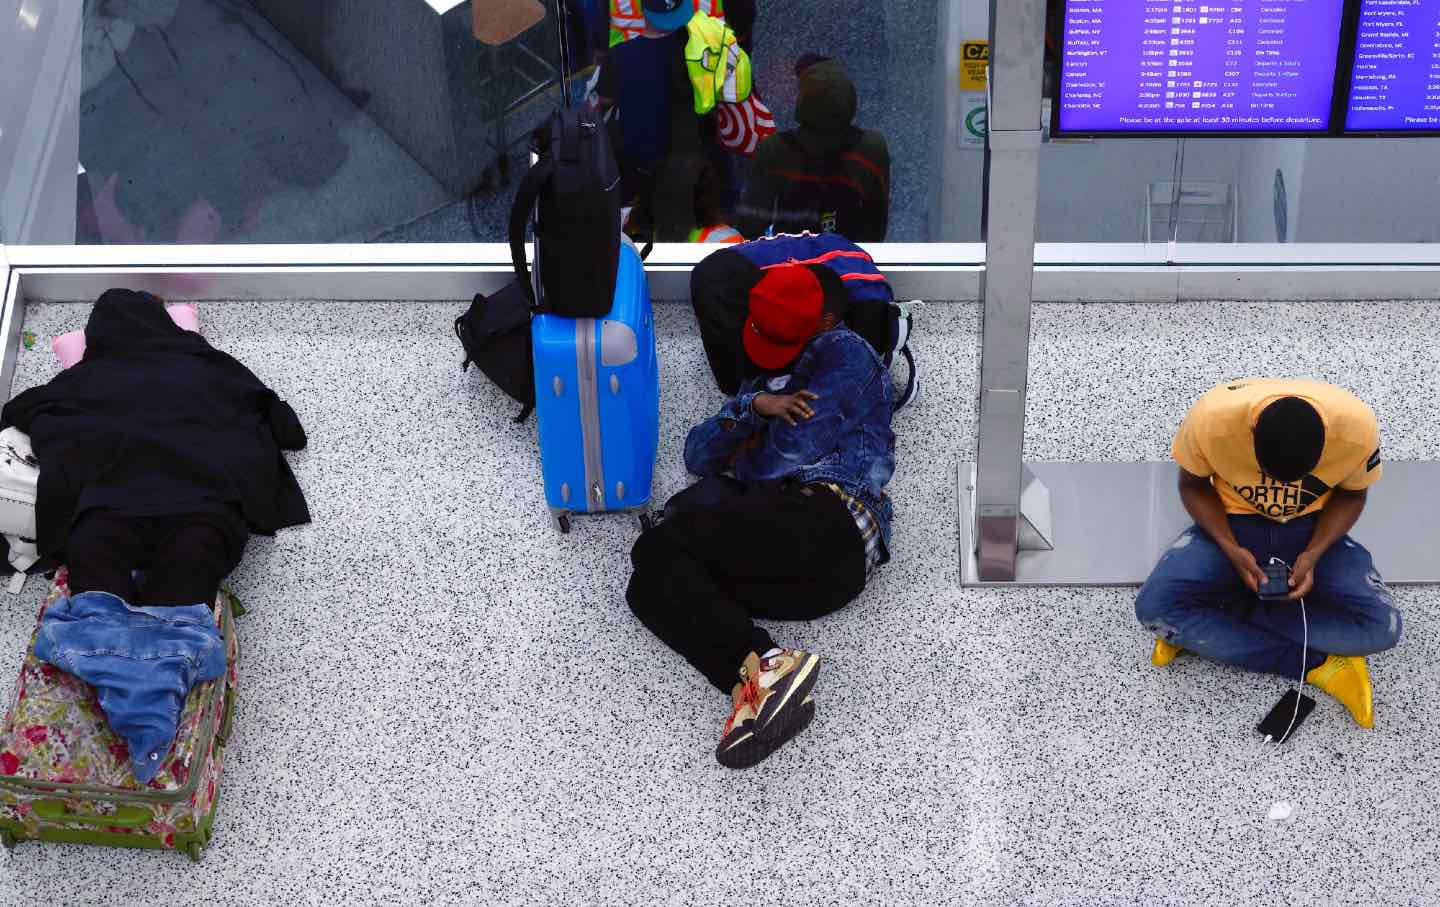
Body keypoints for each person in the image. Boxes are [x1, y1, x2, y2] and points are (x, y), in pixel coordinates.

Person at [626, 263, 895, 768]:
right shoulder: (768, 382)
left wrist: (746, 450)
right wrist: (757, 407)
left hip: (832, 522)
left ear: (823, 322)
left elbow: (779, 461)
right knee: (646, 590)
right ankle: (757, 682)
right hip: (812, 576)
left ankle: (768, 666)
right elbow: (697, 455)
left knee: (656, 548)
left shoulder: (845, 354)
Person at [1135, 379, 1403, 728]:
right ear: (1250, 437)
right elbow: (1192, 486)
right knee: (1153, 609)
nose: (1280, 491)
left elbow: (1352, 494)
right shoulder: (1211, 419)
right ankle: (1316, 665)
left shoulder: (1357, 428)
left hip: (1312, 529)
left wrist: (1315, 553)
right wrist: (1231, 549)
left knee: (1383, 629)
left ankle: (1213, 626)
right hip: (1233, 527)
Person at [736, 56, 890, 241]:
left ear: (802, 103)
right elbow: (876, 227)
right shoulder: (871, 149)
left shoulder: (775, 150)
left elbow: (750, 224)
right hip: (847, 259)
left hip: (790, 258)